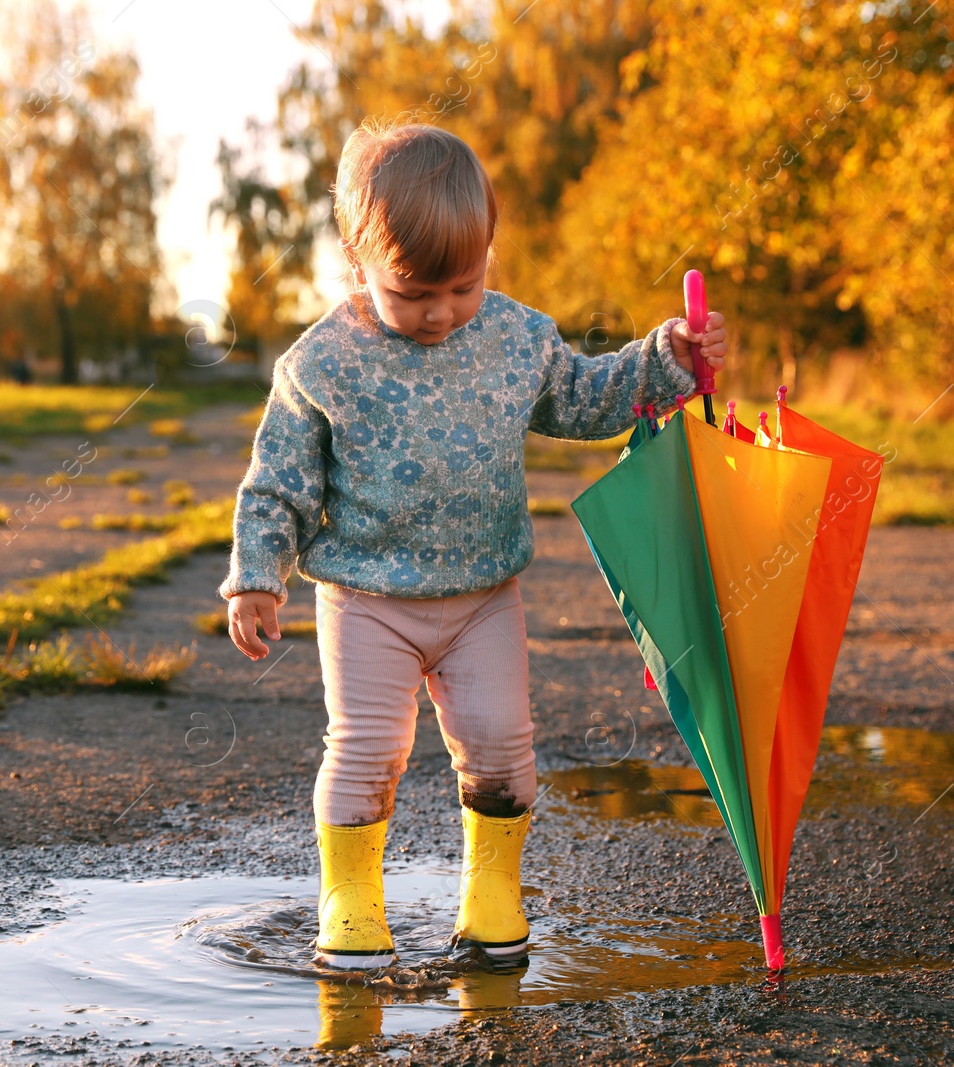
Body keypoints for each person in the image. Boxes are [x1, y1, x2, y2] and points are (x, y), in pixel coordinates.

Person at [219, 120, 728, 969]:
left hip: (484, 594)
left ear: (488, 250)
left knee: (501, 744)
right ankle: (351, 902)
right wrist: (258, 576)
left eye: (462, 284)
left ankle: (491, 898)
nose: (441, 312)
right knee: (368, 749)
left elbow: (584, 396)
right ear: (356, 261)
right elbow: (279, 481)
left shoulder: (515, 338)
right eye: (412, 293)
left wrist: (665, 359)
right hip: (365, 598)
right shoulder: (322, 364)